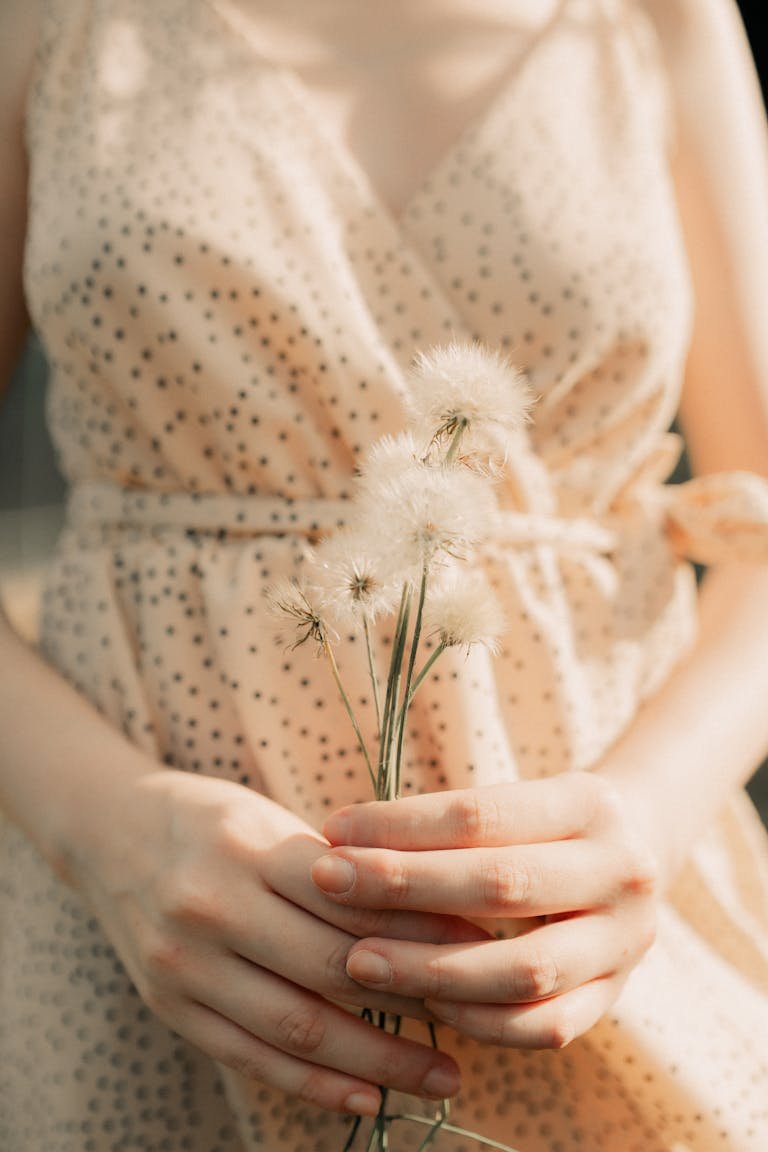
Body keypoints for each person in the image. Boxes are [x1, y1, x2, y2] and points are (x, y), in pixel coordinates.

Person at [2, 0, 768, 1149]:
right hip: (135, 976)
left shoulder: (659, 19)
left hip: (614, 967)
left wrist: (645, 825)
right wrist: (102, 829)